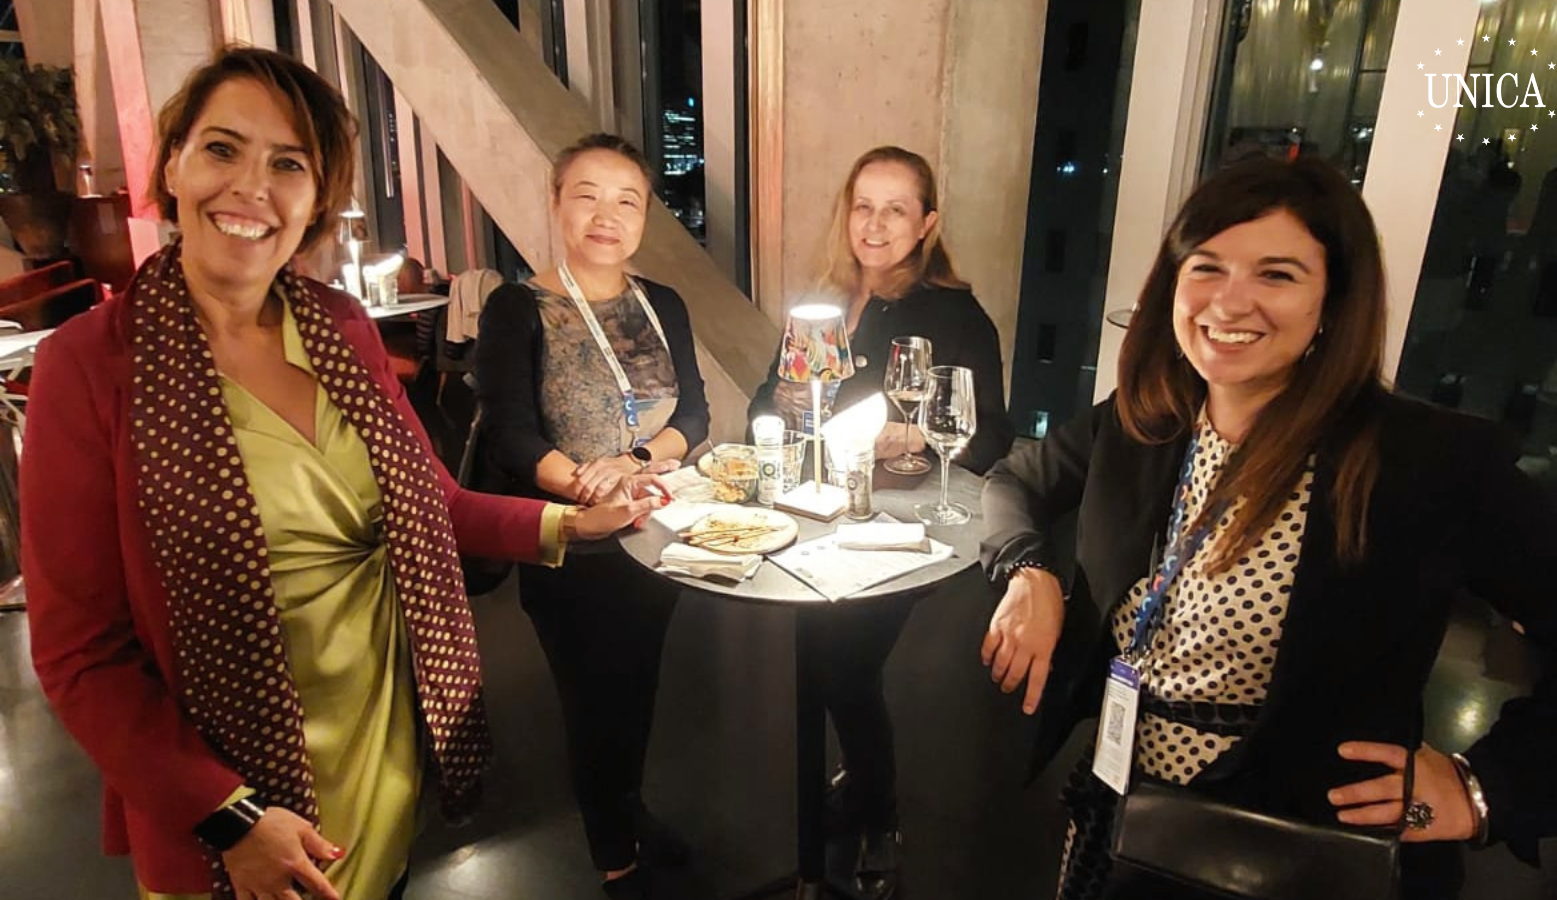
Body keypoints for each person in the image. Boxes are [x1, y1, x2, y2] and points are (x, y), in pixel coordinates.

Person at [21, 48, 666, 900]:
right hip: (234, 804)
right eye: (222, 149)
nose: (252, 187)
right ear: (171, 160)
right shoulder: (91, 365)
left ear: (317, 195)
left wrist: (569, 525)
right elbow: (78, 654)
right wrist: (226, 814)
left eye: (288, 164)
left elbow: (427, 502)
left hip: (382, 744)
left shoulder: (339, 327)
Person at [978, 155, 1557, 899]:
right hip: (1123, 816)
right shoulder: (1148, 420)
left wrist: (1486, 787)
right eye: (1206, 267)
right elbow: (1015, 479)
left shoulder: (1423, 461)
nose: (1230, 303)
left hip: (1300, 848)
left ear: (1332, 304)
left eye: (1277, 275)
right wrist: (1029, 572)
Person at [748, 145, 1013, 900]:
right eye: (864, 205)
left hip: (897, 523)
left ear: (926, 222)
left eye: (896, 208)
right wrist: (783, 408)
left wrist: (921, 439)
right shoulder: (823, 301)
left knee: (846, 665)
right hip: (814, 514)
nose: (876, 223)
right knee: (827, 660)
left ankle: (879, 813)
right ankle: (859, 789)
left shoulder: (954, 314)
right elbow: (766, 400)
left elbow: (990, 433)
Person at [474, 133, 709, 900]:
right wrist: (585, 489)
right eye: (587, 195)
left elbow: (696, 417)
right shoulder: (519, 307)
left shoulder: (661, 303)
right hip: (571, 546)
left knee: (637, 690)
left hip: (654, 534)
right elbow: (512, 434)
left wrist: (635, 468)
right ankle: (616, 858)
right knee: (590, 701)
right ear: (555, 204)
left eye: (627, 199)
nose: (607, 215)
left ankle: (628, 808)